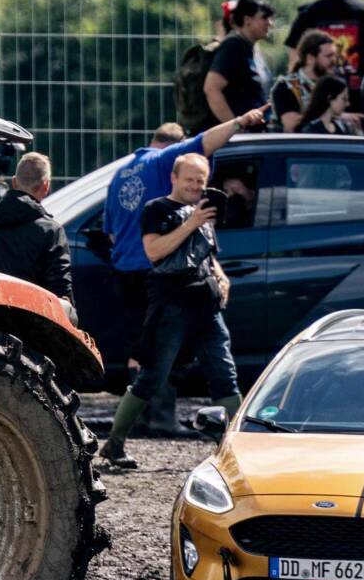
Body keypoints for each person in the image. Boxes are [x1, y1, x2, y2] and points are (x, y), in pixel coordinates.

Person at [98, 109, 267, 438]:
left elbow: (111, 233)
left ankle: (143, 425)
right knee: (161, 355)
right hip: (158, 276)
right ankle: (158, 420)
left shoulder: (124, 172)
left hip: (126, 270)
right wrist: (240, 122)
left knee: (144, 350)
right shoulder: (164, 163)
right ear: (176, 158)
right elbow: (206, 142)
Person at [97, 152, 240, 471]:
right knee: (153, 376)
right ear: (173, 178)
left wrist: (221, 275)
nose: (195, 186)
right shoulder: (157, 209)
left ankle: (239, 450)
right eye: (189, 179)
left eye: (200, 180)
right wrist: (192, 222)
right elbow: (154, 251)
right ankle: (115, 444)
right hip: (171, 304)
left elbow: (207, 253)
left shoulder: (203, 210)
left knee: (224, 374)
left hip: (206, 304)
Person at [0, 151, 73, 302]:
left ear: (14, 182)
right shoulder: (51, 232)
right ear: (46, 186)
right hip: (30, 318)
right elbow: (60, 289)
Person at [204, 0, 276, 124]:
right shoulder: (233, 47)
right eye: (264, 18)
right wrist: (236, 127)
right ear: (247, 20)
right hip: (238, 139)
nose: (270, 23)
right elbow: (211, 88)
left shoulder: (252, 48)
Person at [269, 33, 358, 134]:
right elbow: (290, 124)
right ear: (310, 58)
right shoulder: (286, 86)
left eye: (334, 56)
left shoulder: (335, 85)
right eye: (328, 56)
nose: (334, 61)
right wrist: (335, 115)